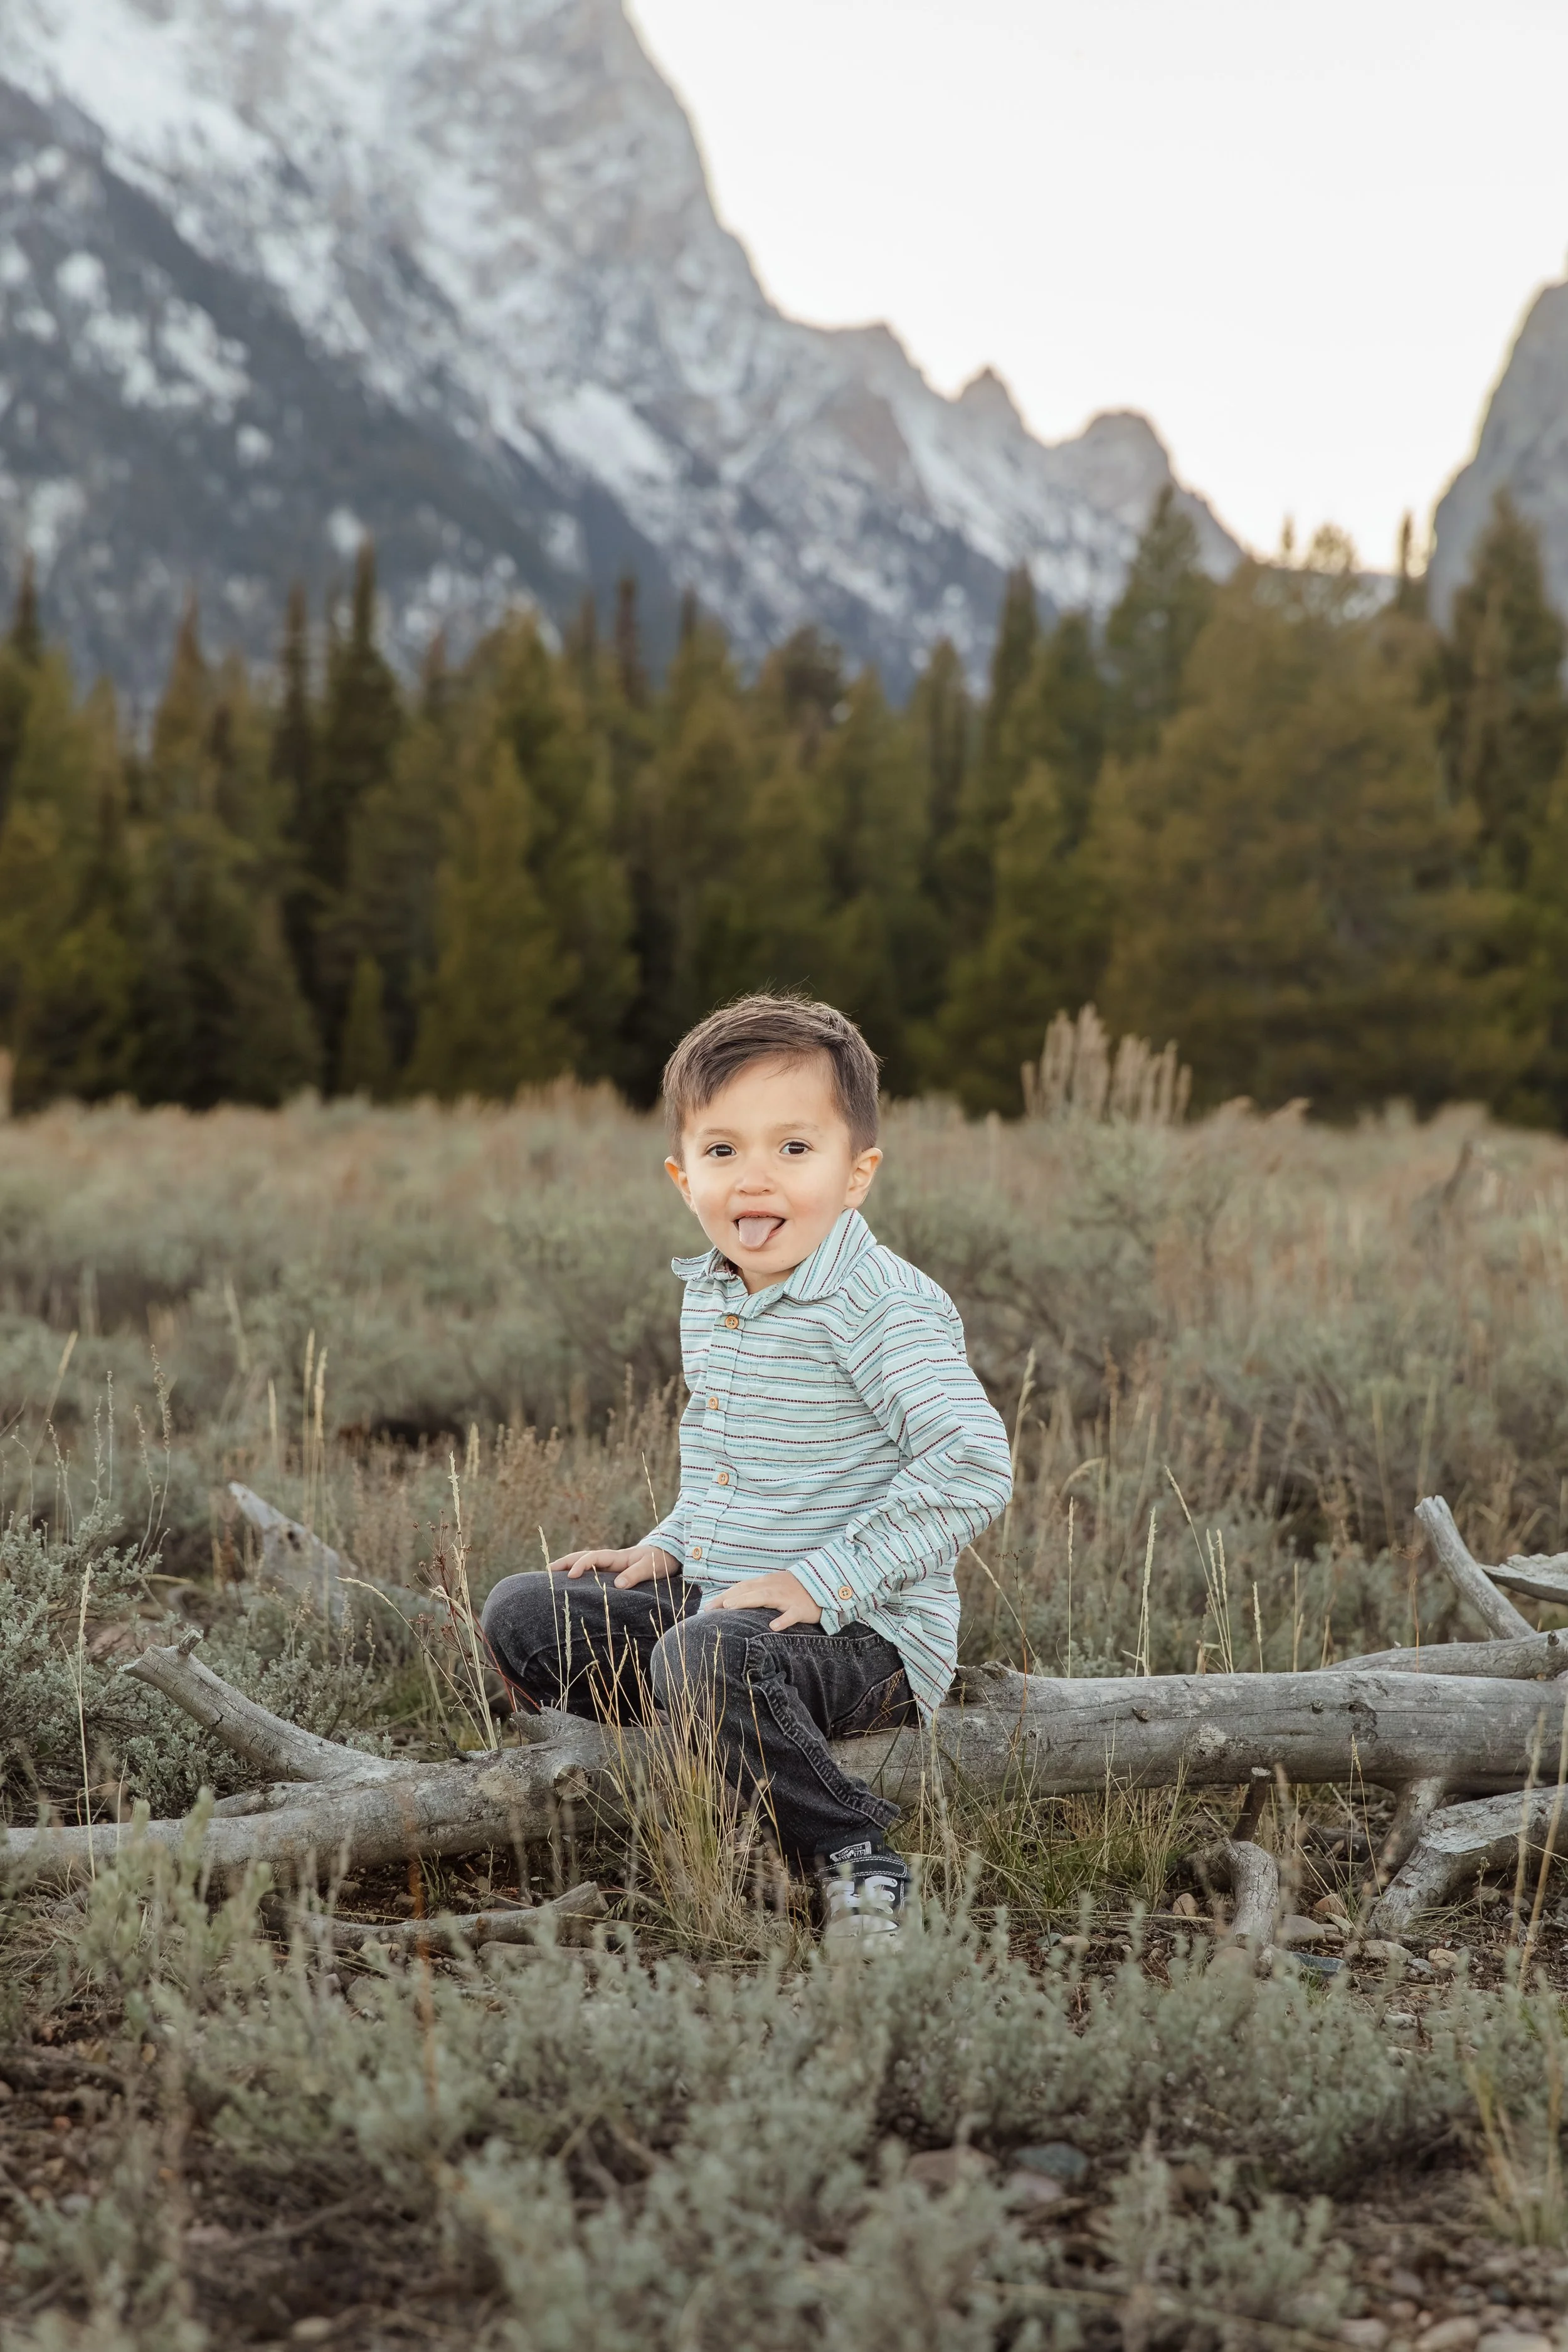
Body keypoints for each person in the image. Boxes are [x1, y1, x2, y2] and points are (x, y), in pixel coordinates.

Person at [480, 993, 1012, 1947]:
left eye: (794, 1149)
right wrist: (668, 1546)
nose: (754, 1179)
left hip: (865, 1636)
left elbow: (972, 1463)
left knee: (703, 1657)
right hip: (727, 1605)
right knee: (524, 1614)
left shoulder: (877, 1307)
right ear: (684, 1176)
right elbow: (729, 1466)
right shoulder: (716, 1290)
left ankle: (852, 1852)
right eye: (724, 1150)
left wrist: (822, 1579)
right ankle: (715, 1761)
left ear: (856, 1174)